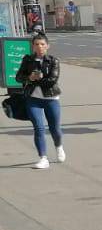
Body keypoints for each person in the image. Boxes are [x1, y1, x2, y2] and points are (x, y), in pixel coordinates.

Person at [15, 32, 64, 169]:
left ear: (47, 46)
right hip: (33, 99)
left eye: (42, 44)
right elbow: (18, 77)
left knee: (54, 129)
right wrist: (28, 78)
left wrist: (37, 79)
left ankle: (59, 146)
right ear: (33, 46)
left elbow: (52, 81)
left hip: (51, 99)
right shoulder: (28, 60)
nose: (39, 47)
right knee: (38, 128)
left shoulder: (53, 61)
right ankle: (43, 158)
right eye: (36, 44)